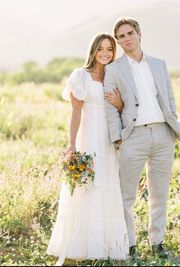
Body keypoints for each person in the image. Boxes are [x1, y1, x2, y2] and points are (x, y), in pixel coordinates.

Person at [46, 33, 129, 266]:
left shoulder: (114, 76)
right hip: (87, 139)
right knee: (85, 189)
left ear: (114, 52)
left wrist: (119, 103)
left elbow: (122, 109)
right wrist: (72, 145)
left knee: (107, 187)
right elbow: (75, 113)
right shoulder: (80, 76)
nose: (105, 53)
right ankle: (77, 249)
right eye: (101, 48)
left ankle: (104, 247)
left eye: (110, 49)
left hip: (108, 142)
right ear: (93, 50)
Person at [104, 17, 180, 259]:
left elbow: (169, 98)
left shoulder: (159, 64)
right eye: (121, 37)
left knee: (160, 193)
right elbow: (109, 107)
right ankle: (129, 245)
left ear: (139, 33)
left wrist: (173, 126)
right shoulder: (113, 69)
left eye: (129, 33)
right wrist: (118, 138)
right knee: (126, 196)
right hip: (132, 137)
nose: (126, 39)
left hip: (162, 135)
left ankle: (157, 242)